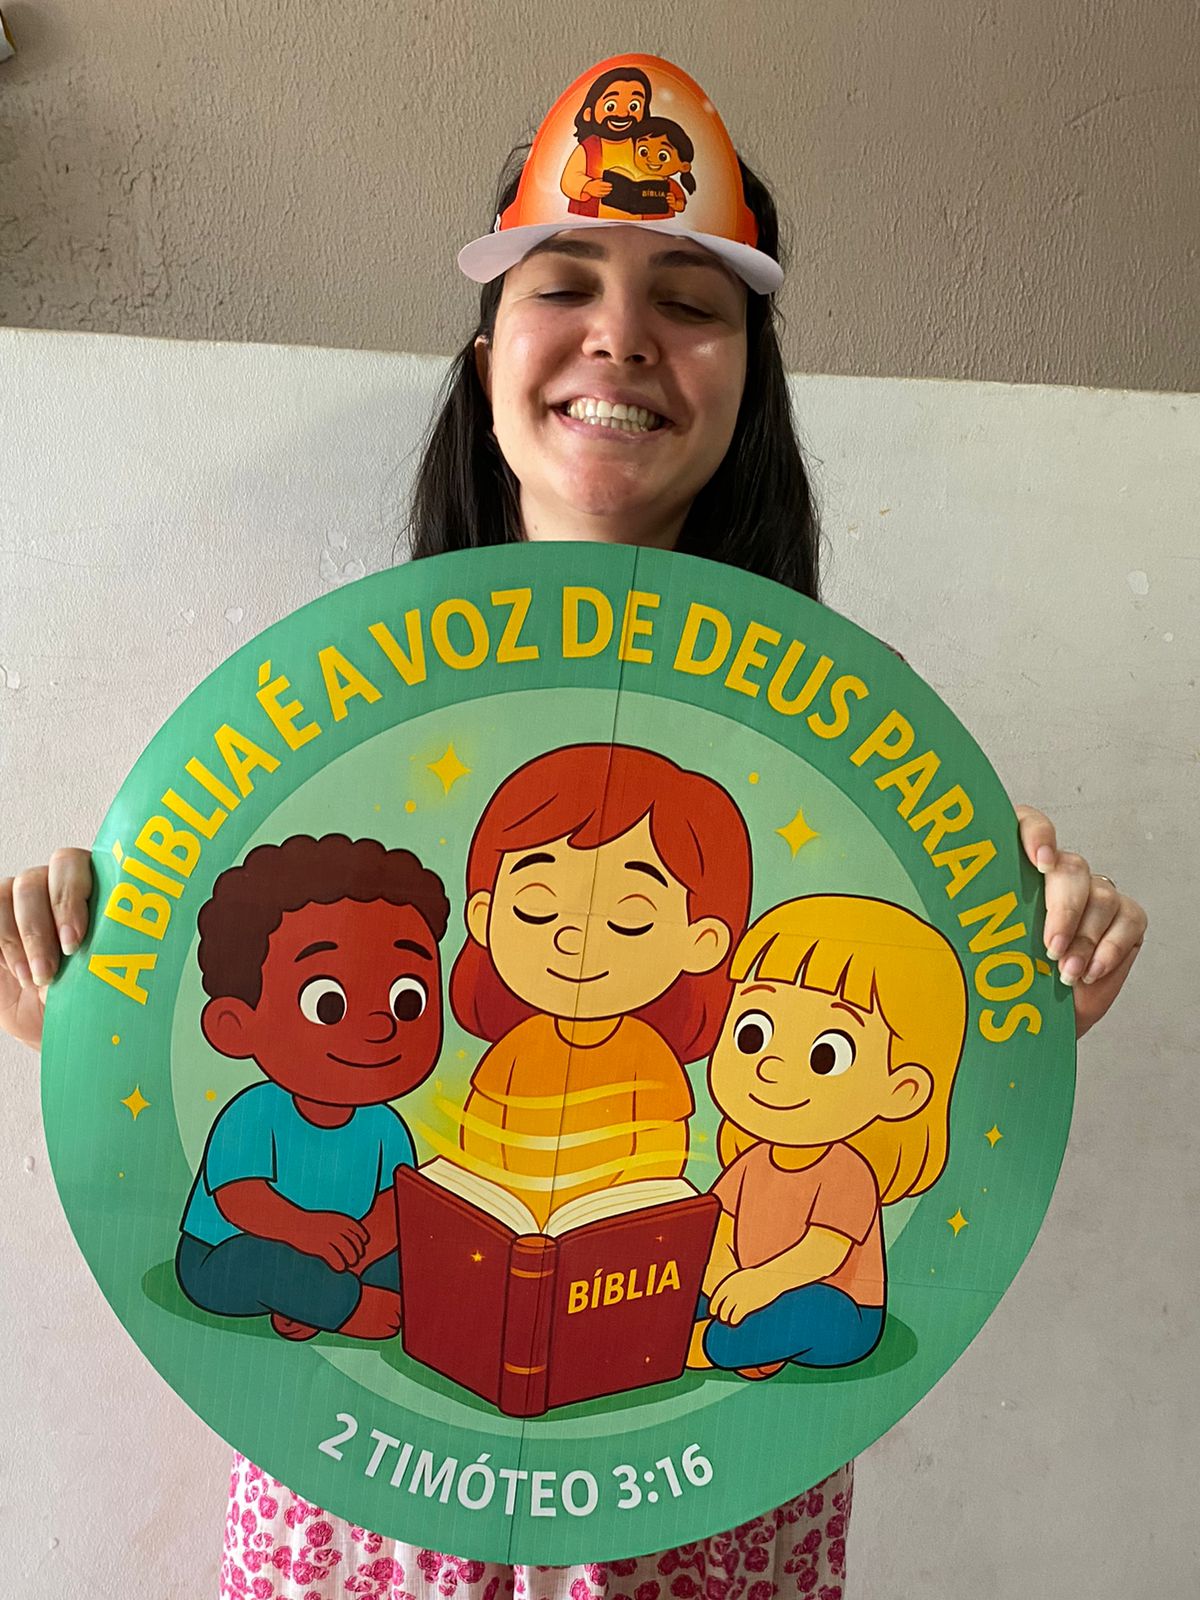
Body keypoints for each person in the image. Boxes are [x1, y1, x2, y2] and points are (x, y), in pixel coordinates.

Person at [0, 51, 1148, 1600]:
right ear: (489, 353)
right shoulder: (318, 740)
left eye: (691, 300)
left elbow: (918, 1112)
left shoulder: (865, 787)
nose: (621, 334)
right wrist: (80, 987)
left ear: (748, 377)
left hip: (702, 1503)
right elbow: (219, 1074)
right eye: (565, 283)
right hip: (371, 1507)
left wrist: (1036, 970)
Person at [694, 895, 967, 1378]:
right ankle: (740, 1337)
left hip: (840, 1304)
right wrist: (723, 1279)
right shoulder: (751, 1162)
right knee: (684, 1291)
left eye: (826, 1055)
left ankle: (723, 1344)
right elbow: (719, 1224)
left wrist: (758, 1287)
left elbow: (822, 1253)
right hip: (755, 1285)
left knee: (814, 1313)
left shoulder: (848, 1172)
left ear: (901, 1089)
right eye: (752, 1034)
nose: (771, 1066)